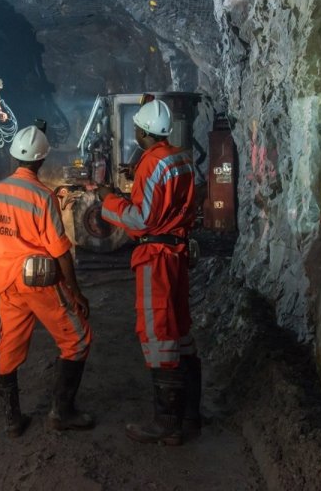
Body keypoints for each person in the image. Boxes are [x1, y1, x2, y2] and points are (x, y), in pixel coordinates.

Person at [96, 99, 200, 445]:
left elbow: (141, 220)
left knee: (157, 330)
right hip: (178, 252)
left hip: (155, 256)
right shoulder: (180, 157)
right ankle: (190, 414)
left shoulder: (151, 163)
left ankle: (166, 422)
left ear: (140, 131)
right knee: (180, 327)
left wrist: (108, 200)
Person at [0, 124, 94, 438]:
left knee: (9, 348)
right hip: (38, 282)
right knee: (78, 339)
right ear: (42, 161)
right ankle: (62, 412)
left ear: (14, 156)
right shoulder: (42, 196)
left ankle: (12, 420)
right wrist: (76, 292)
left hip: (5, 283)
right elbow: (60, 251)